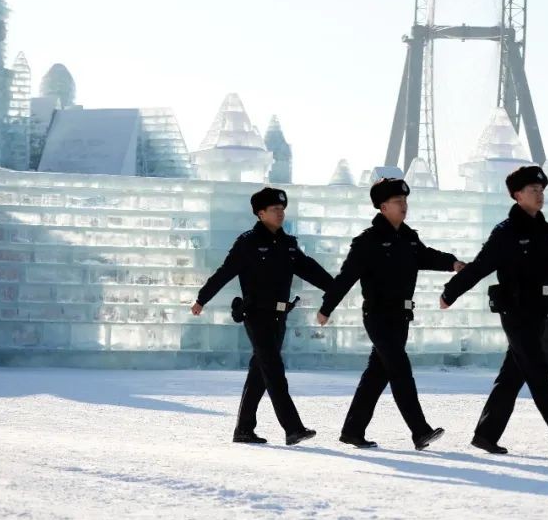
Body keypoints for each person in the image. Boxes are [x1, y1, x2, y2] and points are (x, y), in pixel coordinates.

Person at [440, 165, 548, 457]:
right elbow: (480, 267)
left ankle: (485, 435)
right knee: (539, 373)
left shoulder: (547, 231)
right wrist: (450, 292)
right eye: (533, 190)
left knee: (511, 377)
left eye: (542, 190)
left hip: (541, 312)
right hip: (516, 313)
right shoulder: (505, 233)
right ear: (517, 195)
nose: (539, 194)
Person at [317, 178, 463, 450]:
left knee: (376, 375)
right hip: (378, 317)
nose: (404, 205)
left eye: (405, 201)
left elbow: (426, 256)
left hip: (401, 317)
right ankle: (419, 431)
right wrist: (327, 308)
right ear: (383, 207)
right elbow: (346, 277)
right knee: (400, 370)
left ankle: (352, 430)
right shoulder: (367, 241)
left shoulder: (408, 238)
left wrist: (452, 263)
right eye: (398, 202)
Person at [191, 187, 334, 446]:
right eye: (275, 210)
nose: (280, 213)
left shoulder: (288, 245)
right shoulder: (248, 242)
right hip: (256, 315)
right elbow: (225, 272)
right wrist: (202, 298)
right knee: (274, 370)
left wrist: (336, 288)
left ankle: (244, 429)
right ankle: (293, 428)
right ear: (260, 213)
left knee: (260, 373)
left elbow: (310, 269)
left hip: (280, 316)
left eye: (282, 209)